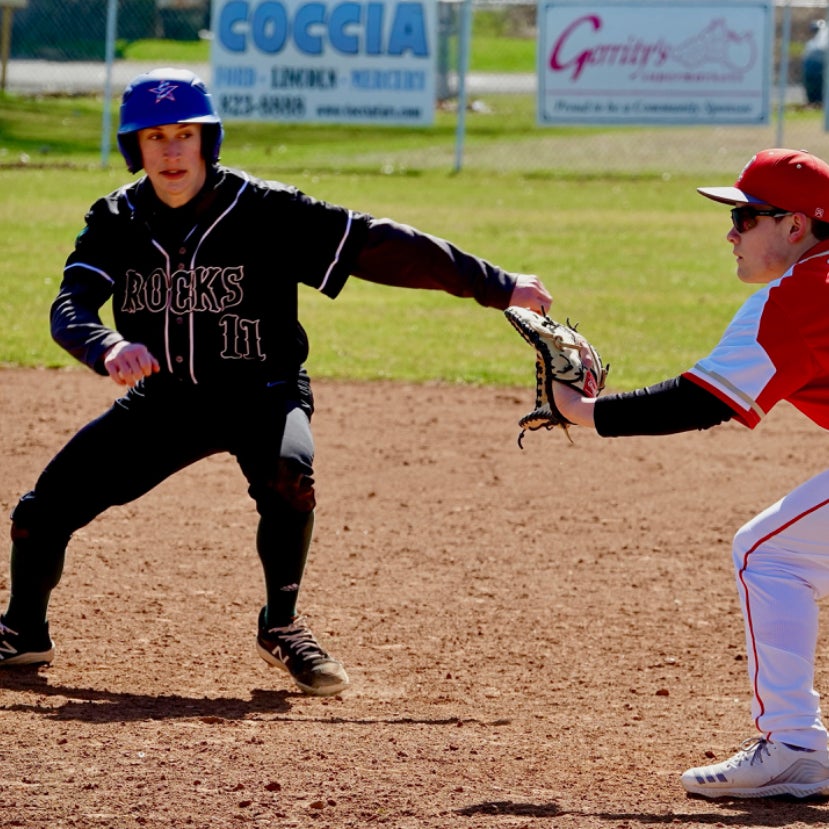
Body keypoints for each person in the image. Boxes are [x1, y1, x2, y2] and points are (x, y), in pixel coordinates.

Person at [0, 67, 552, 697]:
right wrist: (108, 344)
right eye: (155, 137)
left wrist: (496, 284)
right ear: (136, 147)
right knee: (40, 513)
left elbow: (378, 245)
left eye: (186, 133)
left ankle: (282, 625)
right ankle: (23, 630)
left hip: (262, 392)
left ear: (209, 139)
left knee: (291, 478)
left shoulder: (264, 209)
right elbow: (69, 307)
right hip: (168, 399)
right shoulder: (116, 218)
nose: (172, 150)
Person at [551, 147, 829, 798]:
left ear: (794, 226)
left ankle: (792, 744)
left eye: (743, 217)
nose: (729, 233)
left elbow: (700, 400)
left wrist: (581, 410)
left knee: (767, 555)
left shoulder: (798, 298)